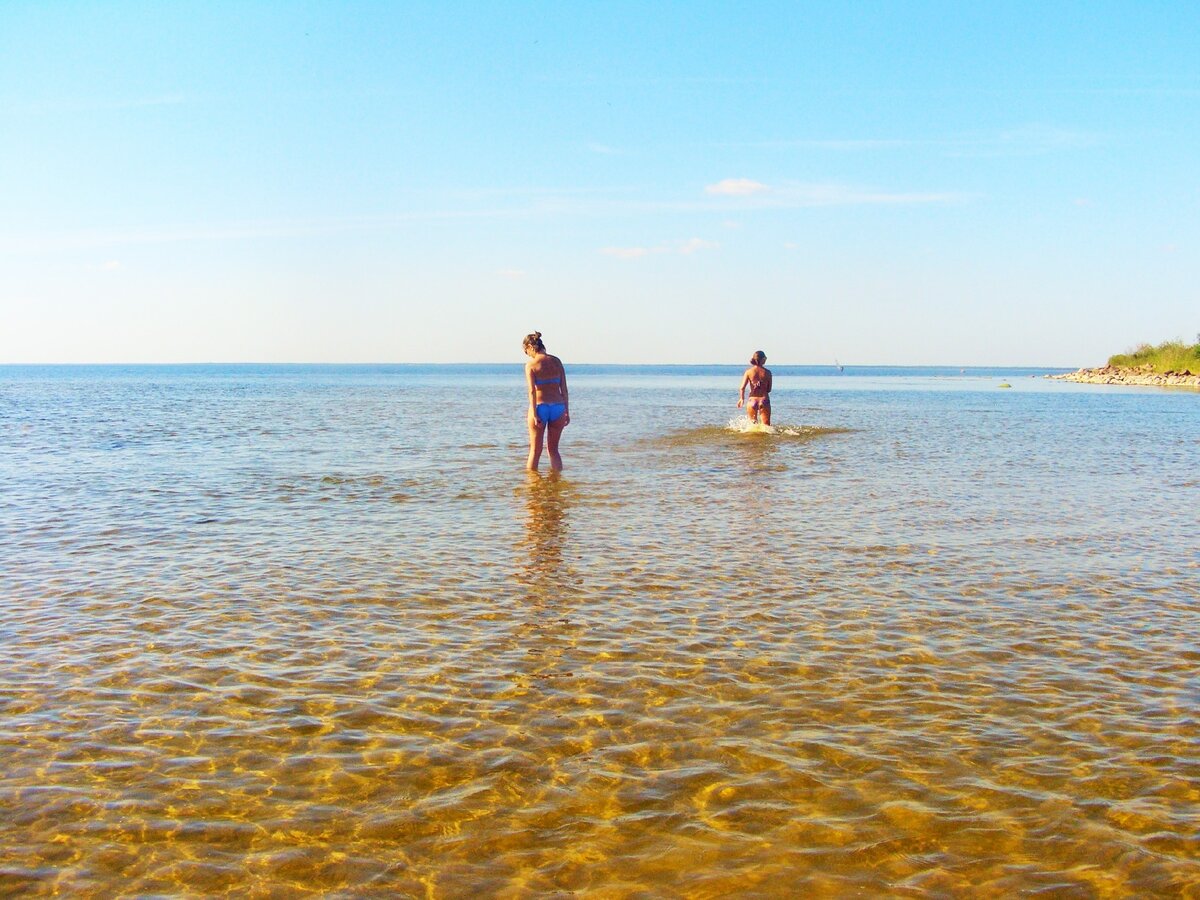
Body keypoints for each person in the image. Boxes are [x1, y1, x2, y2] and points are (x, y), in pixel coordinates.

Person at [523, 331, 570, 471]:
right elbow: (564, 389)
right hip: (558, 408)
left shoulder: (531, 365)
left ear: (531, 347)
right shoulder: (556, 361)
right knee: (554, 450)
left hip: (540, 407)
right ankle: (556, 484)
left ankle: (532, 487)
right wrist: (567, 411)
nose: (528, 355)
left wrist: (535, 415)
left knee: (535, 451)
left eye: (527, 352)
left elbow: (532, 391)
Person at [737, 350, 772, 425]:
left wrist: (741, 398)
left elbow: (742, 387)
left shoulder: (749, 372)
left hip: (752, 400)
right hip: (764, 400)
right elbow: (769, 389)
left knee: (753, 425)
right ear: (763, 360)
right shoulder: (768, 372)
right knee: (766, 426)